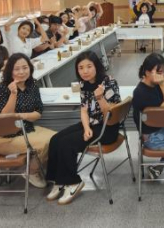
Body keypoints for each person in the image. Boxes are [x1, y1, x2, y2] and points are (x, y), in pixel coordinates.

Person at [46, 51, 121, 204]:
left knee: (67, 143)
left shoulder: (109, 82)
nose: (85, 71)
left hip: (107, 128)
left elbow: (112, 115)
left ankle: (73, 182)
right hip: (91, 124)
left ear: (97, 66)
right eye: (81, 68)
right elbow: (84, 110)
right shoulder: (83, 84)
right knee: (55, 139)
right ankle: (59, 181)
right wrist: (86, 128)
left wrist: (100, 97)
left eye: (89, 66)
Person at [0, 53, 56, 188]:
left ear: (30, 68)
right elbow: (3, 118)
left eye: (25, 68)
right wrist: (13, 94)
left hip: (27, 129)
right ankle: (31, 171)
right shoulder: (1, 88)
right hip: (4, 137)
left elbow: (38, 112)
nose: (21, 72)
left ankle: (44, 170)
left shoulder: (32, 84)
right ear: (10, 71)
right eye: (17, 69)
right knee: (46, 143)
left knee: (58, 138)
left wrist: (20, 115)